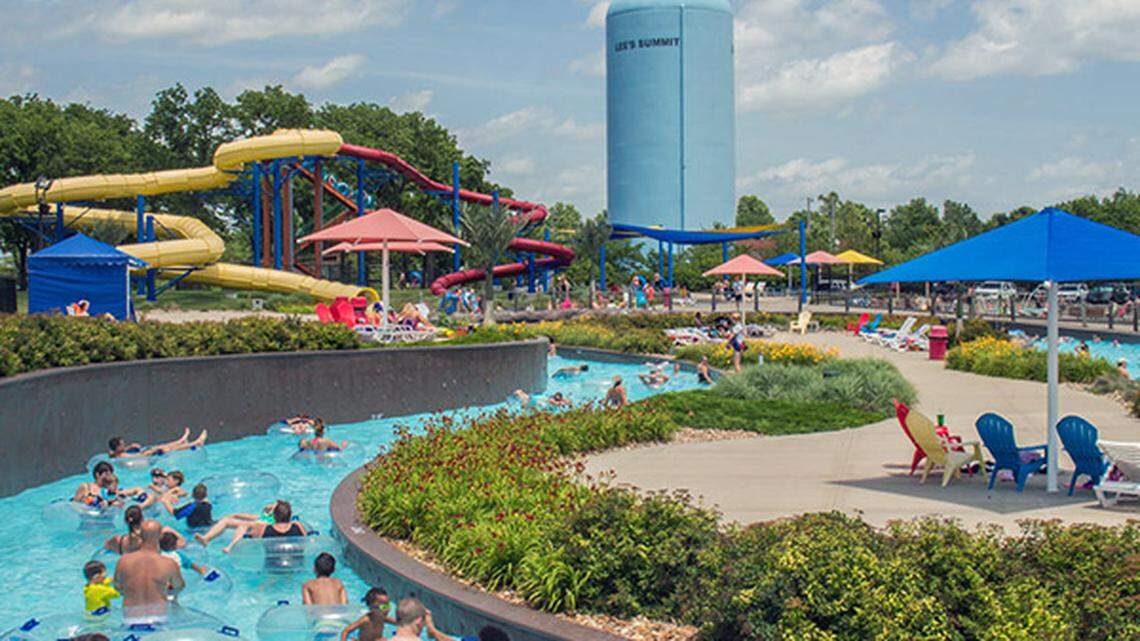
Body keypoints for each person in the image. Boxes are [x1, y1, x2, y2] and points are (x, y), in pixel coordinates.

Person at [114, 520, 184, 623]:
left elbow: (117, 587)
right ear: (160, 536)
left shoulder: (123, 561)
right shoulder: (168, 563)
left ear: (140, 535)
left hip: (131, 617)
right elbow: (179, 586)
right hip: (157, 617)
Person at [199, 500, 306, 554]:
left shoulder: (267, 524)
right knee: (227, 520)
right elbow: (305, 538)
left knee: (243, 525)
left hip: (262, 527)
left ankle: (230, 546)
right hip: (261, 524)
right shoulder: (265, 515)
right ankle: (206, 538)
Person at [108, 429, 207, 460]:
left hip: (146, 454)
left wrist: (130, 447)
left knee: (162, 446)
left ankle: (181, 440)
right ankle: (196, 442)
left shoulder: (116, 453)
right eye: (122, 444)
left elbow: (115, 453)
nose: (124, 445)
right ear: (117, 447)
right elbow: (137, 457)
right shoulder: (122, 456)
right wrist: (150, 452)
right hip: (146, 458)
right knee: (168, 449)